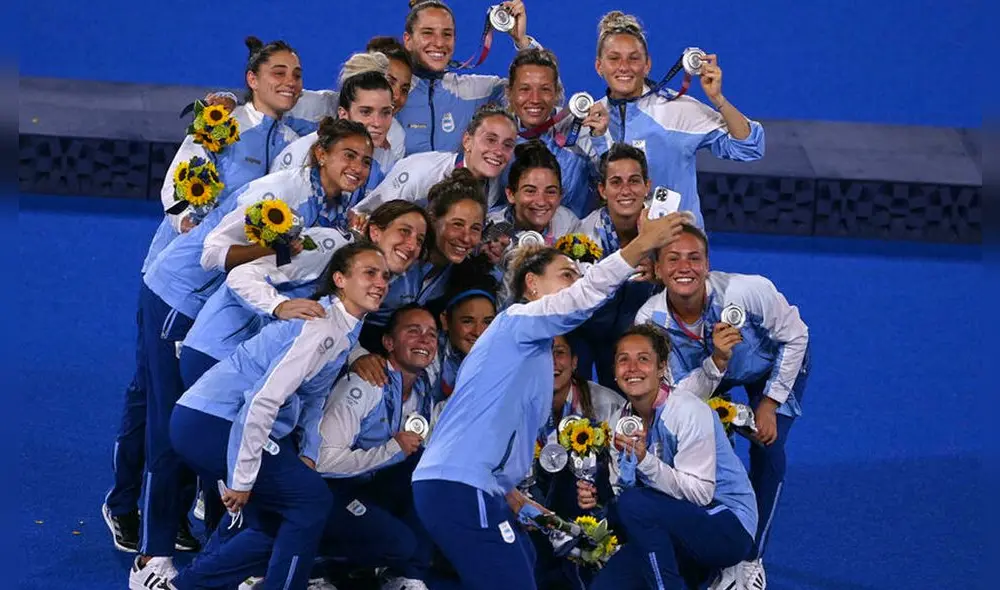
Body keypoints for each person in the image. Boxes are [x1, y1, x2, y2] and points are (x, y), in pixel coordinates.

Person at [410, 208, 692, 589]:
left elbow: (486, 434)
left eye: (576, 276)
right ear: (532, 284)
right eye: (566, 275)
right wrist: (641, 245)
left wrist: (539, 514)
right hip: (460, 486)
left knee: (525, 561)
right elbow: (583, 297)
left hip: (468, 487)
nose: (575, 283)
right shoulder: (515, 323)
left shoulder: (528, 352)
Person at [104, 35, 305, 561]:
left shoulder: (295, 139)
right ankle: (133, 511)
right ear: (252, 79)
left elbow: (343, 103)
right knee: (157, 402)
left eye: (297, 74)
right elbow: (177, 196)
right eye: (277, 72)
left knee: (181, 399)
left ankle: (176, 512)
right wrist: (200, 228)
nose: (290, 82)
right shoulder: (220, 125)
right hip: (180, 288)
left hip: (230, 299)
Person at [128, 242, 390, 590]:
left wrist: (309, 455)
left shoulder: (342, 332)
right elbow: (262, 401)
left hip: (211, 420)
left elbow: (313, 399)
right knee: (311, 501)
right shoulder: (321, 327)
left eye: (385, 276)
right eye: (369, 273)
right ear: (340, 279)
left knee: (275, 520)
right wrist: (243, 476)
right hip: (210, 422)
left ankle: (187, 586)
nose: (381, 282)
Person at [635, 224, 810, 589]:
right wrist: (717, 359)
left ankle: (750, 557)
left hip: (770, 367)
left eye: (694, 258)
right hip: (711, 372)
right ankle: (716, 540)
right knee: (703, 452)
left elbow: (796, 336)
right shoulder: (650, 322)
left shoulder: (748, 291)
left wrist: (769, 402)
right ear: (659, 268)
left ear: (708, 264)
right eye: (673, 259)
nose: (685, 267)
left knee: (769, 448)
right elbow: (677, 396)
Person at [180, 201, 430, 389]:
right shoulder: (328, 246)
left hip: (254, 365)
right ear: (375, 232)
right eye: (404, 232)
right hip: (217, 351)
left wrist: (357, 356)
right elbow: (242, 275)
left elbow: (333, 322)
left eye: (419, 240)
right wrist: (279, 305)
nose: (411, 245)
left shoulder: (376, 279)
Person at [584, 323, 757, 589]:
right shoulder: (619, 421)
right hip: (671, 527)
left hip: (726, 525)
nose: (632, 368)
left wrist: (644, 462)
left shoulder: (688, 411)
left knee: (636, 504)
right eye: (623, 360)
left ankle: (720, 571)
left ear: (662, 368)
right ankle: (703, 577)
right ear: (614, 371)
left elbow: (701, 495)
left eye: (643, 359)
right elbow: (624, 495)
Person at [594, 11, 765, 228]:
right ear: (599, 66)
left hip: (678, 250)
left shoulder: (679, 110)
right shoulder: (591, 120)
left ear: (647, 65)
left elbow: (750, 146)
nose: (624, 67)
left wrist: (718, 98)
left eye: (634, 58)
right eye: (614, 58)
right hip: (619, 249)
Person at [316, 305, 439, 590]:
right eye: (413, 331)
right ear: (388, 343)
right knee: (399, 542)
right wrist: (390, 451)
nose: (424, 340)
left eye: (431, 334)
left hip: (370, 487)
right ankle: (320, 566)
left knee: (428, 474)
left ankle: (406, 575)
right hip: (330, 491)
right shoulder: (366, 382)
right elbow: (322, 462)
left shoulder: (422, 390)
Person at [356, 168, 489, 355]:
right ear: (433, 219)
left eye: (475, 228)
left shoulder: (459, 274)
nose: (466, 238)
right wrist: (357, 355)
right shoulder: (397, 256)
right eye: (457, 224)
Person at [572, 143, 660, 391]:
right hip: (587, 334)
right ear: (602, 189)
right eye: (616, 182)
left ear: (647, 187)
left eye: (634, 181)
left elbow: (693, 280)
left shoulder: (665, 230)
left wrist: (662, 275)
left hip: (640, 336)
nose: (625, 191)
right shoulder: (583, 234)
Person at [397, 0, 539, 154]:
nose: (439, 43)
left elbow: (539, 91)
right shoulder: (390, 91)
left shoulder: (474, 91)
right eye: (427, 33)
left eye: (447, 34)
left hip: (460, 178)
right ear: (408, 40)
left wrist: (523, 42)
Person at [275, 52, 400, 204]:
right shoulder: (303, 153)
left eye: (385, 112)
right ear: (343, 114)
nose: (377, 123)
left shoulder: (387, 157)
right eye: (366, 112)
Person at [352, 104, 518, 216]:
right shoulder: (420, 171)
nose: (498, 151)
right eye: (490, 140)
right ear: (467, 141)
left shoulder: (496, 186)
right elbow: (362, 214)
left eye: (507, 145)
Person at [505, 47, 609, 218]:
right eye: (525, 89)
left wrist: (600, 140)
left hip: (577, 240)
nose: (535, 99)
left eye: (545, 89)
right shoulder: (497, 138)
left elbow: (612, 183)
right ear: (509, 93)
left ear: (556, 93)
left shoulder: (582, 128)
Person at [487, 140, 580, 243]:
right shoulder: (489, 229)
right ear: (511, 194)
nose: (541, 202)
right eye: (530, 191)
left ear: (560, 195)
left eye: (550, 192)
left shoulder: (569, 225)